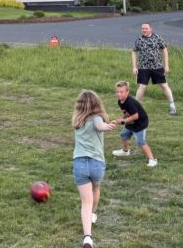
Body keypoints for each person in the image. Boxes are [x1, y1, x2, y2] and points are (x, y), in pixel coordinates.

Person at [71, 90, 117, 248]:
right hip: (97, 163)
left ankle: (87, 238)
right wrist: (107, 126)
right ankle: (93, 213)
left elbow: (99, 126)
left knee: (85, 201)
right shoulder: (97, 117)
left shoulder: (78, 121)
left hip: (80, 164)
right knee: (96, 189)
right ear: (97, 104)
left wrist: (104, 126)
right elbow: (99, 125)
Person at [132, 23, 176, 115]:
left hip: (157, 66)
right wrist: (134, 66)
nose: (144, 30)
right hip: (143, 67)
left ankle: (172, 106)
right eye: (142, 28)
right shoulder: (139, 40)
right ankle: (136, 108)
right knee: (142, 87)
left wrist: (166, 65)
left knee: (164, 85)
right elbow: (134, 52)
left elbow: (164, 50)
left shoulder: (157, 38)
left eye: (146, 28)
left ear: (150, 29)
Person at [111, 81, 158, 167]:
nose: (119, 94)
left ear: (127, 92)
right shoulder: (120, 101)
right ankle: (125, 151)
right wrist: (122, 120)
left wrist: (124, 121)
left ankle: (152, 160)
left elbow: (136, 116)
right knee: (124, 135)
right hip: (131, 122)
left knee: (140, 142)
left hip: (140, 123)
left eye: (121, 92)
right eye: (117, 91)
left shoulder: (130, 102)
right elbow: (127, 113)